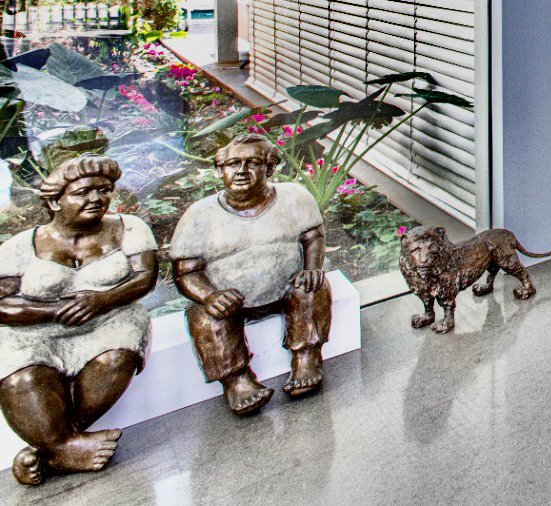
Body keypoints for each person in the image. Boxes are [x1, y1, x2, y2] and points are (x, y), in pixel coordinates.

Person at [0, 155, 157, 485]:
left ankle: (49, 450)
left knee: (116, 358)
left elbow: (145, 279)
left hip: (109, 321)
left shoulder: (129, 228)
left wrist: (101, 300)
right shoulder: (19, 246)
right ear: (55, 201)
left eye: (104, 190)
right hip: (35, 333)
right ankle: (63, 447)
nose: (96, 199)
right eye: (84, 192)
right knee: (21, 380)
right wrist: (56, 310)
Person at [169, 133, 329, 416]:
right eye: (233, 164)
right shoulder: (199, 216)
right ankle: (237, 381)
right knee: (205, 316)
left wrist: (312, 267)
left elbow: (313, 236)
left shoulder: (294, 198)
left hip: (287, 286)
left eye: (252, 163)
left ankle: (307, 357)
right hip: (230, 300)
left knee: (314, 286)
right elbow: (185, 272)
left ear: (268, 168)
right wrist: (210, 295)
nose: (241, 171)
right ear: (220, 170)